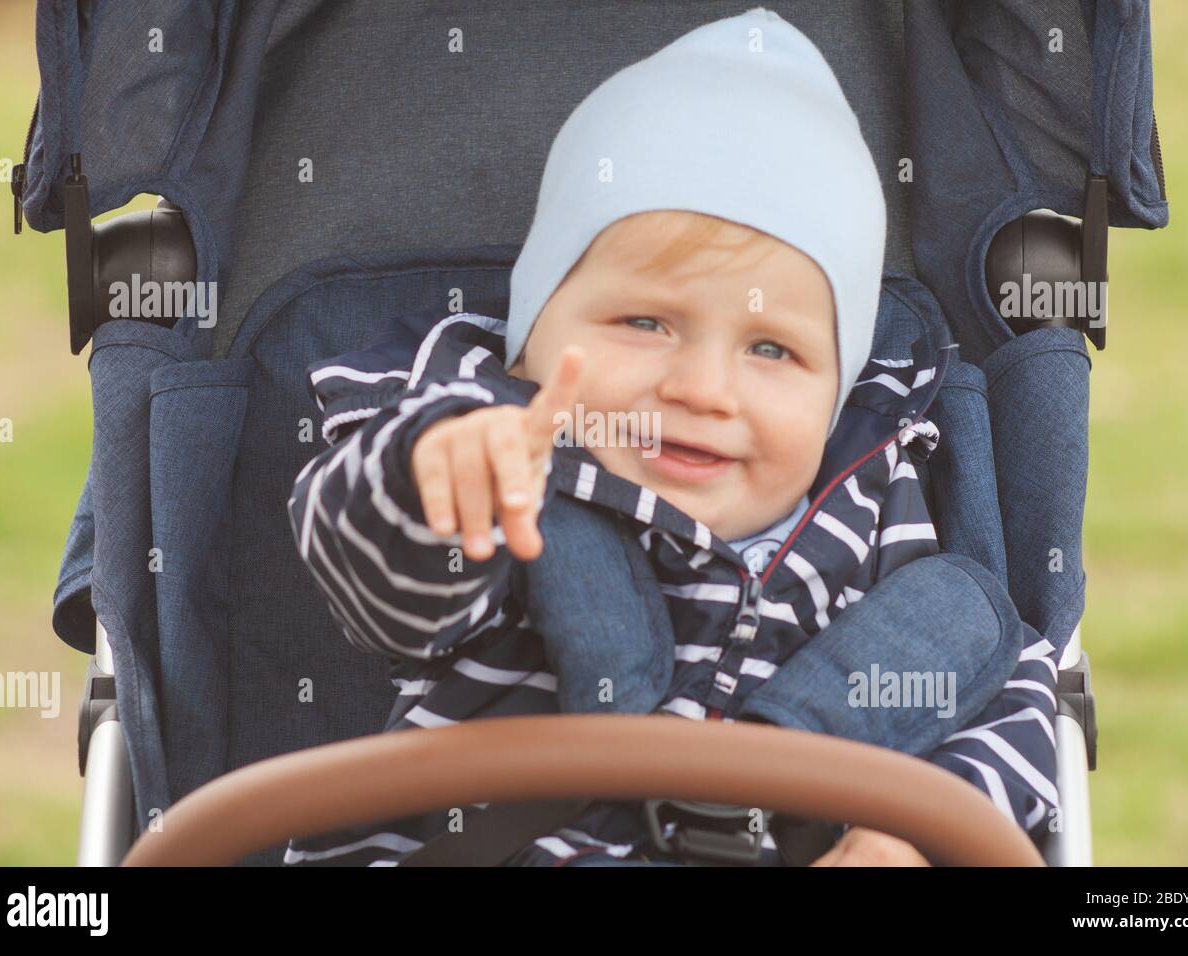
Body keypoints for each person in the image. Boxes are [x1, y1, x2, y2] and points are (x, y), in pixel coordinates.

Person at [283, 7, 1060, 867]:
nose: (700, 389)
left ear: (836, 391)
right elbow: (378, 589)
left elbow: (1012, 699)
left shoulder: (878, 526)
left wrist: (912, 831)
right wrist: (431, 478)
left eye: (773, 349)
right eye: (644, 321)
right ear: (531, 336)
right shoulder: (503, 461)